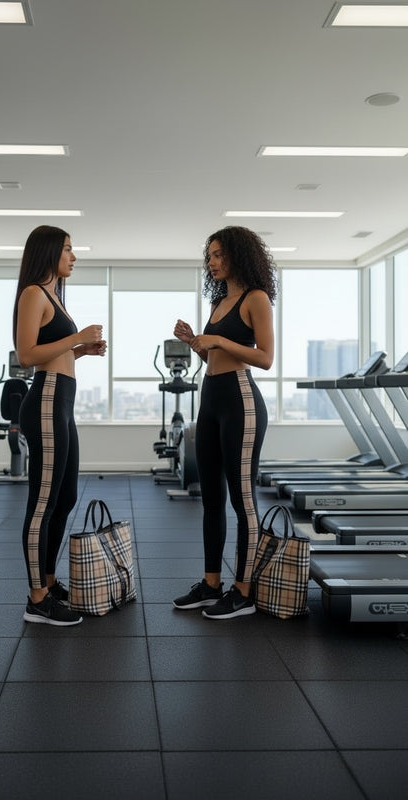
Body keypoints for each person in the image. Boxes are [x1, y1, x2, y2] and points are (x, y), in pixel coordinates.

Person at [172, 226, 277, 619]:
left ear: (238, 255)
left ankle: (244, 591)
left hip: (240, 402)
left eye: (219, 255)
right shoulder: (219, 301)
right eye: (210, 256)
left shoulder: (256, 298)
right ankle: (211, 584)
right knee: (211, 499)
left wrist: (216, 341)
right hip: (211, 398)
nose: (213, 262)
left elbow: (264, 357)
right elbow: (214, 357)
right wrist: (195, 342)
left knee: (242, 498)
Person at [13, 225, 107, 626]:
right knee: (43, 503)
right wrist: (75, 339)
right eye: (68, 249)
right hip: (47, 400)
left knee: (65, 497)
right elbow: (26, 355)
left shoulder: (54, 297)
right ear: (49, 252)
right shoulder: (34, 292)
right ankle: (37, 599)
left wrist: (80, 350)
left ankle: (49, 583)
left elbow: (56, 355)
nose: (73, 256)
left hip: (62, 402)